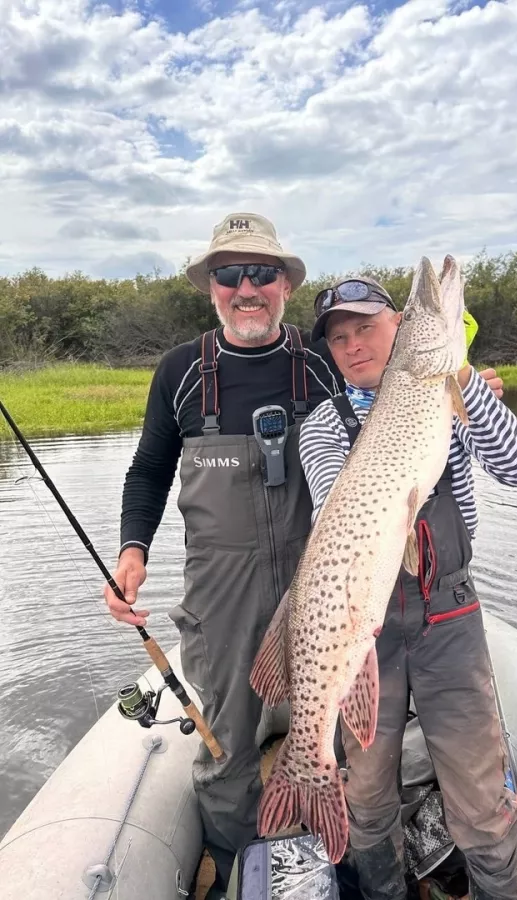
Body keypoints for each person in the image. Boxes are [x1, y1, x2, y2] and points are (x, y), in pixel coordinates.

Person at [103, 213, 343, 899]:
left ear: (285, 285)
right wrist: (132, 551)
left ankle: (342, 859)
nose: (246, 288)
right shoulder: (180, 371)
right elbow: (149, 469)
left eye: (260, 272)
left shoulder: (325, 361)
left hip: (320, 585)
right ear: (211, 287)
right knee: (226, 745)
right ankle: (239, 871)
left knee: (343, 730)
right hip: (219, 592)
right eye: (229, 274)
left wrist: (464, 388)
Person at [298, 275, 517, 900]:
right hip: (367, 621)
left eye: (366, 327)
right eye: (339, 338)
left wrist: (464, 382)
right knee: (367, 792)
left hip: (450, 618)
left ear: (400, 328)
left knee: (481, 800)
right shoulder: (322, 424)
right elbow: (332, 511)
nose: (353, 345)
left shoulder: (448, 397)